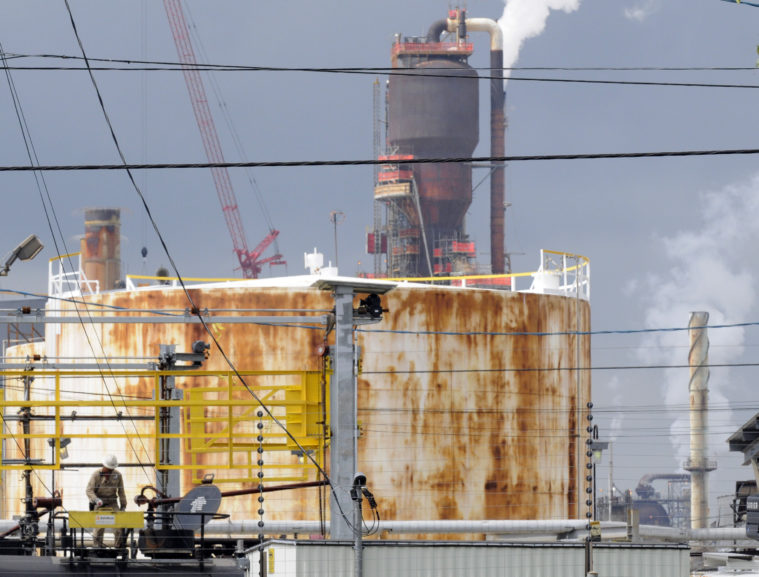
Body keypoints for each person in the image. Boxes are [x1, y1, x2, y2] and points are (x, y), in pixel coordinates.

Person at [85, 454, 127, 549]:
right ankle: (97, 547)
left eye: (111, 469)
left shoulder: (117, 475)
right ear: (104, 466)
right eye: (108, 469)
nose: (110, 471)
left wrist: (123, 506)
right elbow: (89, 490)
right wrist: (96, 499)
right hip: (99, 503)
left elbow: (121, 492)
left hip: (112, 503)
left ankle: (118, 547)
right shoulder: (96, 475)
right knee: (99, 528)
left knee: (119, 527)